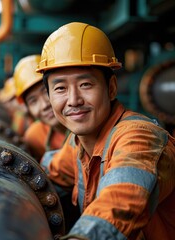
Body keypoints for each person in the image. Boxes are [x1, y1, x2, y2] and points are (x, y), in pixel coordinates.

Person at [36, 22, 175, 240]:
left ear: (111, 89)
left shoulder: (140, 137)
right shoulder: (78, 142)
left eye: (85, 85)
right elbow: (51, 172)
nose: (73, 100)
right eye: (60, 88)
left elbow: (120, 201)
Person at [13, 54, 70, 162]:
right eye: (33, 101)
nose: (44, 105)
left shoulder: (88, 126)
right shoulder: (35, 136)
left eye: (45, 92)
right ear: (27, 109)